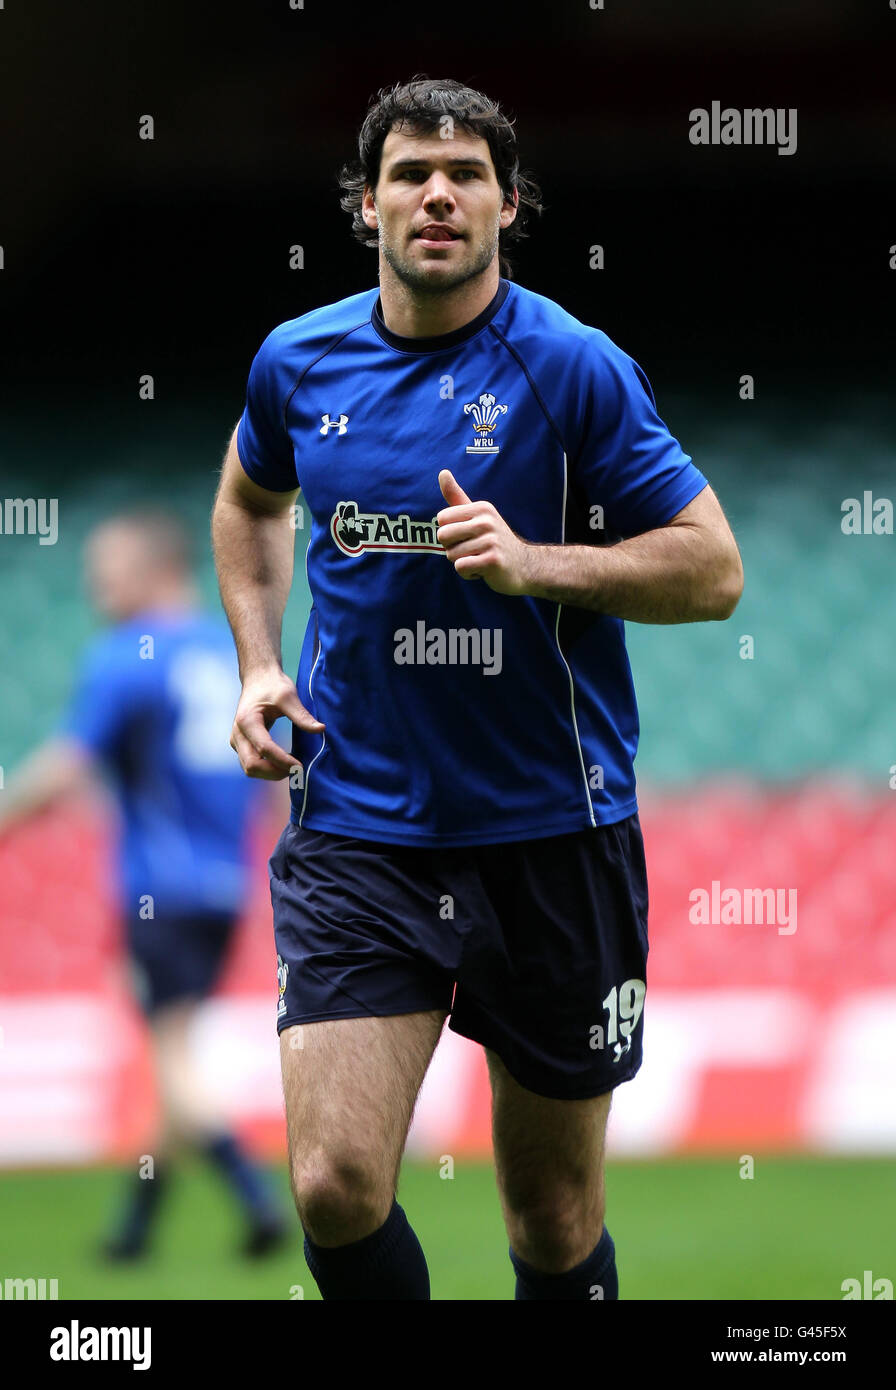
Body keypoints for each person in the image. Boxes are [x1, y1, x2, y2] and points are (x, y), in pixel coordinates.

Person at [211, 76, 743, 1300]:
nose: (436, 194)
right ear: (365, 206)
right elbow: (248, 500)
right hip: (360, 829)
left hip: (551, 832)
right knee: (335, 1184)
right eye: (409, 173)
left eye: (464, 175)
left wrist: (533, 562)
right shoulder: (296, 361)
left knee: (550, 1220)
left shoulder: (573, 369)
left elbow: (711, 569)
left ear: (510, 205)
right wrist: (255, 661)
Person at [0, 509, 287, 1258]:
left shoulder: (125, 656)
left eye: (111, 567)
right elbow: (273, 781)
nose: (96, 584)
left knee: (170, 1051)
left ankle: (257, 1199)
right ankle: (135, 1231)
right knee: (177, 1045)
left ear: (159, 568)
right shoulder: (237, 654)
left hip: (158, 888)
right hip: (225, 886)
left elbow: (68, 764)